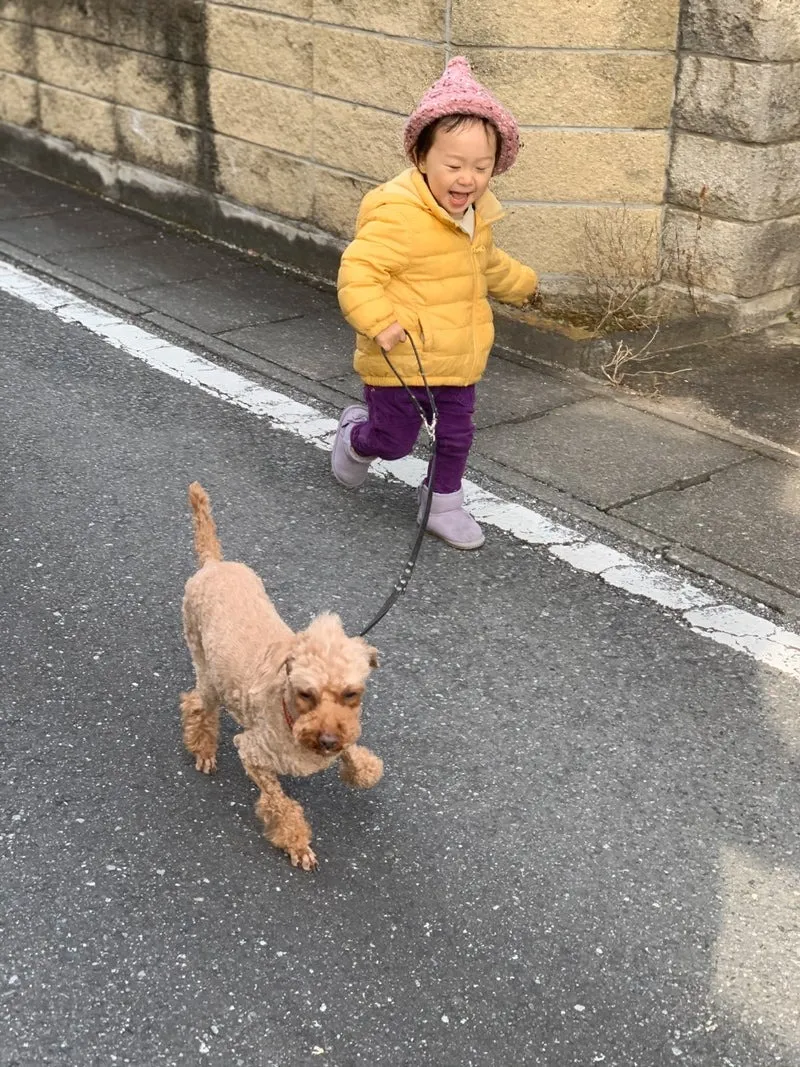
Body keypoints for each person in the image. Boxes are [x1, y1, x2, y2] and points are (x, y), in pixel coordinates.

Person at [332, 56, 538, 550]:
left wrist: (526, 286)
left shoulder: (475, 218)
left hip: (460, 357)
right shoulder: (397, 215)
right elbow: (358, 272)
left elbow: (489, 265)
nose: (467, 178)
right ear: (421, 159)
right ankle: (356, 439)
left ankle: (443, 503)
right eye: (453, 164)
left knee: (456, 437)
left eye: (481, 167)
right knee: (395, 440)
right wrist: (379, 321)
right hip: (401, 357)